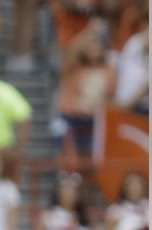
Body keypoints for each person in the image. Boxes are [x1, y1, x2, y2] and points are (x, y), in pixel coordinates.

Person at [56, 26, 115, 160]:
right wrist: (88, 31)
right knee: (68, 160)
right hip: (71, 118)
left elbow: (111, 96)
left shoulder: (109, 70)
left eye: (97, 45)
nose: (93, 49)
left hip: (94, 120)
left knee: (90, 159)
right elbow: (70, 50)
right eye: (90, 46)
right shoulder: (74, 67)